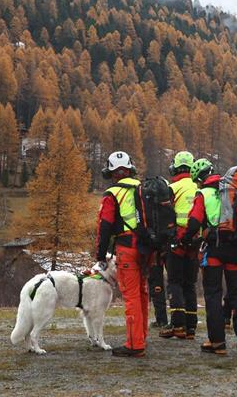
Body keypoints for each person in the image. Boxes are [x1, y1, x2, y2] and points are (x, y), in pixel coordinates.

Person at [184, 163, 237, 354]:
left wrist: (184, 239)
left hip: (215, 249)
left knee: (213, 294)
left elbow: (193, 223)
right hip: (236, 249)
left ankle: (217, 342)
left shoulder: (204, 194)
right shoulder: (236, 191)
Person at [96, 151, 149, 357]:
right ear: (130, 169)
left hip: (127, 248)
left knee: (131, 296)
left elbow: (105, 226)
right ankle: (141, 336)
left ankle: (135, 345)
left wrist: (101, 255)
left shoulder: (112, 194)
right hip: (147, 249)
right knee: (143, 293)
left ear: (111, 172)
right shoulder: (142, 188)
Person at [160, 151, 200, 340]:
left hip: (176, 240)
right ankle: (191, 327)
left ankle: (178, 325)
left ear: (174, 167)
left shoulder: (172, 187)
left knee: (174, 282)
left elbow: (165, 216)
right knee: (190, 284)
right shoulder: (198, 188)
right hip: (194, 241)